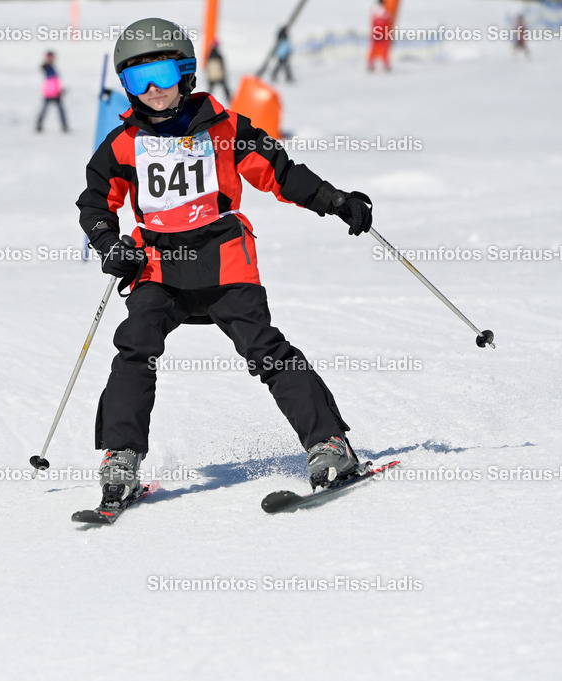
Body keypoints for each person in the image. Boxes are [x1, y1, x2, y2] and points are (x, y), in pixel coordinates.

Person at [76, 17, 375, 512]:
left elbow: (280, 174)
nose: (152, 91)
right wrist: (110, 244)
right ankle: (121, 457)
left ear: (188, 74)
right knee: (135, 349)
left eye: (165, 76)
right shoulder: (122, 144)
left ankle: (330, 446)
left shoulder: (226, 128)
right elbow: (95, 204)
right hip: (158, 264)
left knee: (264, 348)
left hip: (224, 259)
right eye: (136, 80)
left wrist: (336, 200)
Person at [36, 51, 68, 133]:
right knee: (45, 110)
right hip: (50, 93)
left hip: (56, 93)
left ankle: (64, 126)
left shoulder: (53, 67)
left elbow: (55, 82)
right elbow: (43, 68)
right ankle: (38, 125)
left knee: (60, 111)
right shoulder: (47, 67)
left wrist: (61, 90)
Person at [368, 0, 393, 72]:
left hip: (376, 33)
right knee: (384, 50)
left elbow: (372, 22)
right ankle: (386, 65)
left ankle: (371, 64)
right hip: (382, 33)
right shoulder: (385, 12)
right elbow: (388, 20)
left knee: (373, 49)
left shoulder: (374, 11)